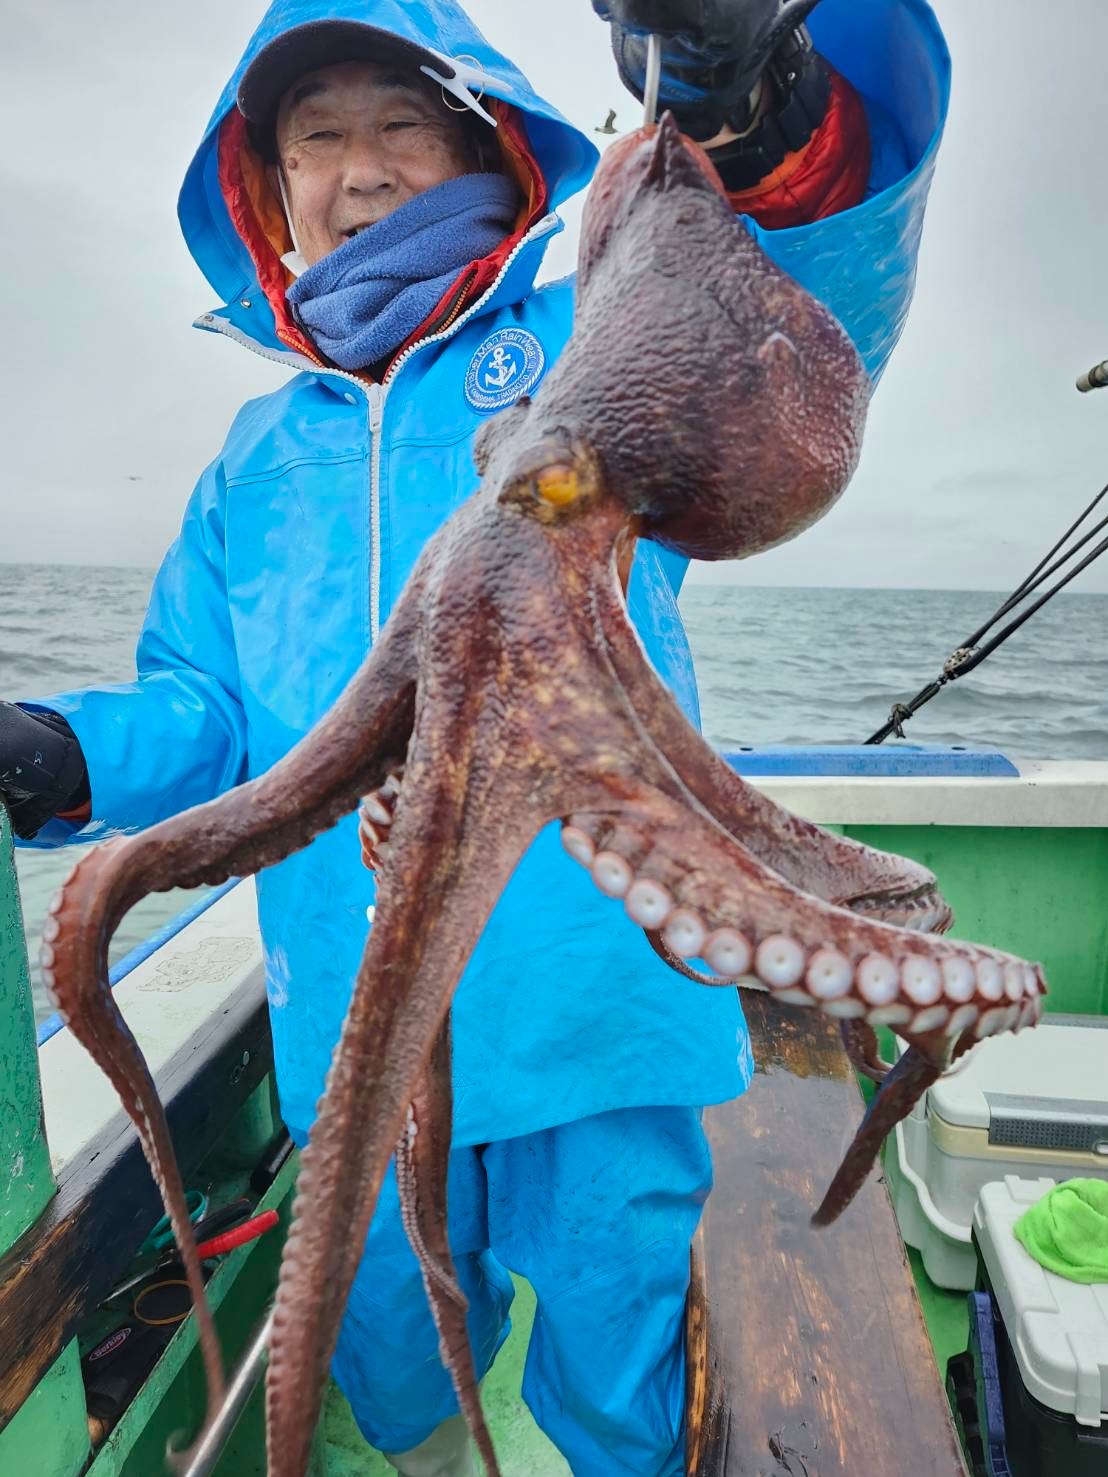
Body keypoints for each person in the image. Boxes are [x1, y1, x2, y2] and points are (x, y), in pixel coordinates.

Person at [0, 2, 950, 1473]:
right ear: (269, 189)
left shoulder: (590, 342)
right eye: (317, 137)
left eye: (402, 122)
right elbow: (210, 709)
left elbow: (794, 313)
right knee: (387, 1354)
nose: (360, 165)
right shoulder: (256, 457)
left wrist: (752, 103)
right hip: (359, 1029)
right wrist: (63, 751)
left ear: (488, 147)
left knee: (622, 1350)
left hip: (599, 1004)